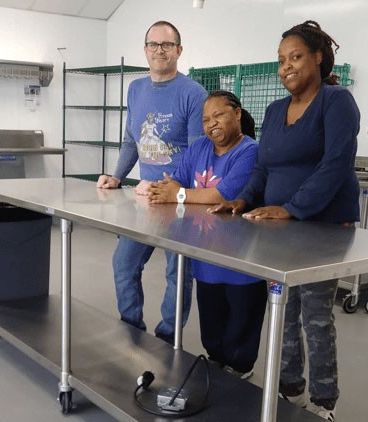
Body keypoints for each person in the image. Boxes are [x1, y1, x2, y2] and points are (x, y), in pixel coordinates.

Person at [209, 20, 360, 421]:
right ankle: (289, 388)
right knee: (283, 309)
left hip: (325, 225)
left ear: (318, 57)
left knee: (314, 313)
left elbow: (336, 164)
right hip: (279, 228)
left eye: (295, 57)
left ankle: (324, 401)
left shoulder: (337, 101)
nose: (286, 67)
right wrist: (242, 199)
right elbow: (263, 166)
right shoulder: (276, 110)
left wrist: (292, 207)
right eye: (280, 60)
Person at [96, 21, 208, 344]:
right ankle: (131, 328)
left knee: (178, 273)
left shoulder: (193, 94)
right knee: (124, 263)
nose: (160, 50)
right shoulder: (136, 89)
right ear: (145, 50)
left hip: (178, 203)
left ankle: (167, 337)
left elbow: (196, 153)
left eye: (167, 45)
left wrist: (172, 189)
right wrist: (117, 176)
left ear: (179, 51)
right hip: (145, 202)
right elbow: (131, 139)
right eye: (154, 45)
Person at [148, 91, 265, 379]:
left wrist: (179, 195)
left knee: (241, 320)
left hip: (241, 258)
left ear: (237, 114)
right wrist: (168, 191)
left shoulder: (249, 151)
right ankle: (216, 361)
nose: (212, 124)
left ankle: (240, 371)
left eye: (219, 115)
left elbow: (223, 193)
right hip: (205, 253)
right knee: (212, 319)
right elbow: (177, 179)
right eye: (205, 119)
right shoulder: (199, 147)